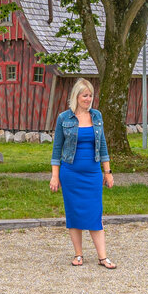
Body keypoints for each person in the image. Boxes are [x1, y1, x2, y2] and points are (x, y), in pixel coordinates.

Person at [49, 78, 116, 269]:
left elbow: (102, 145)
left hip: (92, 174)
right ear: (76, 96)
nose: (88, 99)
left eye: (90, 95)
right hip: (70, 173)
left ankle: (103, 257)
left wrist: (108, 171)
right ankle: (78, 254)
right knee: (74, 214)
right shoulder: (64, 118)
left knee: (95, 213)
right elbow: (57, 149)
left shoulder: (97, 117)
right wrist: (55, 175)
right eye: (84, 95)